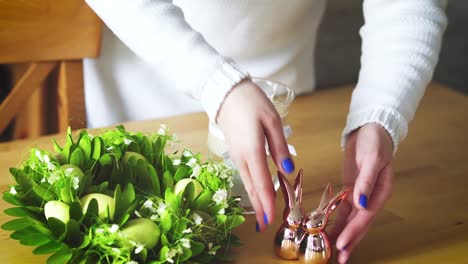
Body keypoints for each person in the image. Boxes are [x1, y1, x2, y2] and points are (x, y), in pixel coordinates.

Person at [83, 1, 447, 263]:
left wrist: (380, 117)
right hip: (141, 112)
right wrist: (217, 83)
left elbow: (408, 9)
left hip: (288, 111)